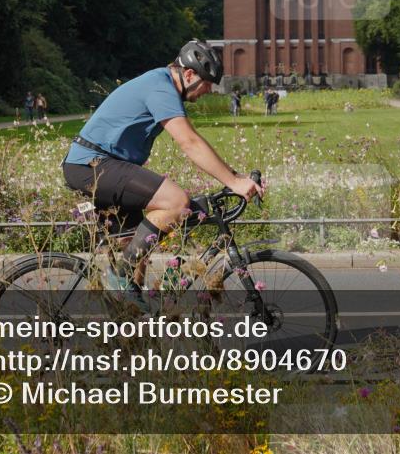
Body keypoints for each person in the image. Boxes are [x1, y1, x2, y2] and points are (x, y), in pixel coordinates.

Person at [62, 40, 263, 307]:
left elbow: (193, 144)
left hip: (101, 165)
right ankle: (119, 277)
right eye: (206, 83)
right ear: (188, 74)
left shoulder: (160, 84)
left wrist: (234, 176)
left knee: (136, 244)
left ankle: (131, 324)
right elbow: (189, 142)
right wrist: (235, 182)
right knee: (176, 202)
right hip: (90, 165)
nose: (208, 90)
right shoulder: (160, 86)